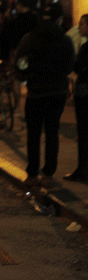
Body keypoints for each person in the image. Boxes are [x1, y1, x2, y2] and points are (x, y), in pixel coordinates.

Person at [15, 2, 74, 188]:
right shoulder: (65, 40)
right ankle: (48, 174)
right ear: (58, 19)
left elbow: (20, 62)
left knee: (33, 134)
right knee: (52, 133)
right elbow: (69, 66)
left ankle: (32, 174)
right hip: (57, 92)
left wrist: (25, 76)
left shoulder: (29, 38)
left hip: (35, 93)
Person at [65, 14, 88, 182]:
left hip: (84, 94)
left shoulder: (85, 48)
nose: (79, 28)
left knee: (84, 132)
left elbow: (78, 68)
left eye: (82, 24)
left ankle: (83, 170)